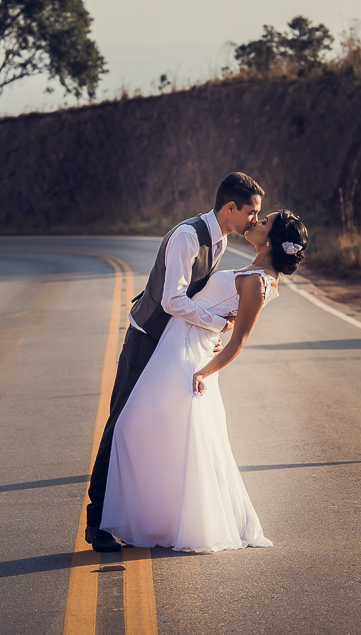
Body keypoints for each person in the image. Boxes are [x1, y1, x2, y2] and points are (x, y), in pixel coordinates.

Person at [101, 209, 309, 552]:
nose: (257, 221)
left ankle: (169, 523)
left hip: (188, 357)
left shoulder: (259, 281)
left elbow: (239, 341)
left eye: (265, 221)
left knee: (134, 427)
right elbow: (219, 313)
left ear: (272, 239)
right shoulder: (249, 267)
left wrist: (204, 370)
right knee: (157, 435)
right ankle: (159, 519)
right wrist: (217, 322)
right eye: (258, 216)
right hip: (177, 344)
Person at [84, 172, 265, 552]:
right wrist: (217, 322)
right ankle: (96, 520)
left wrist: (210, 334)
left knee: (156, 428)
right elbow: (173, 301)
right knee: (121, 423)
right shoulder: (188, 237)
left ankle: (144, 514)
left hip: (173, 346)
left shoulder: (219, 241)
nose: (254, 219)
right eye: (253, 211)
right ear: (231, 207)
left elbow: (196, 299)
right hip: (147, 340)